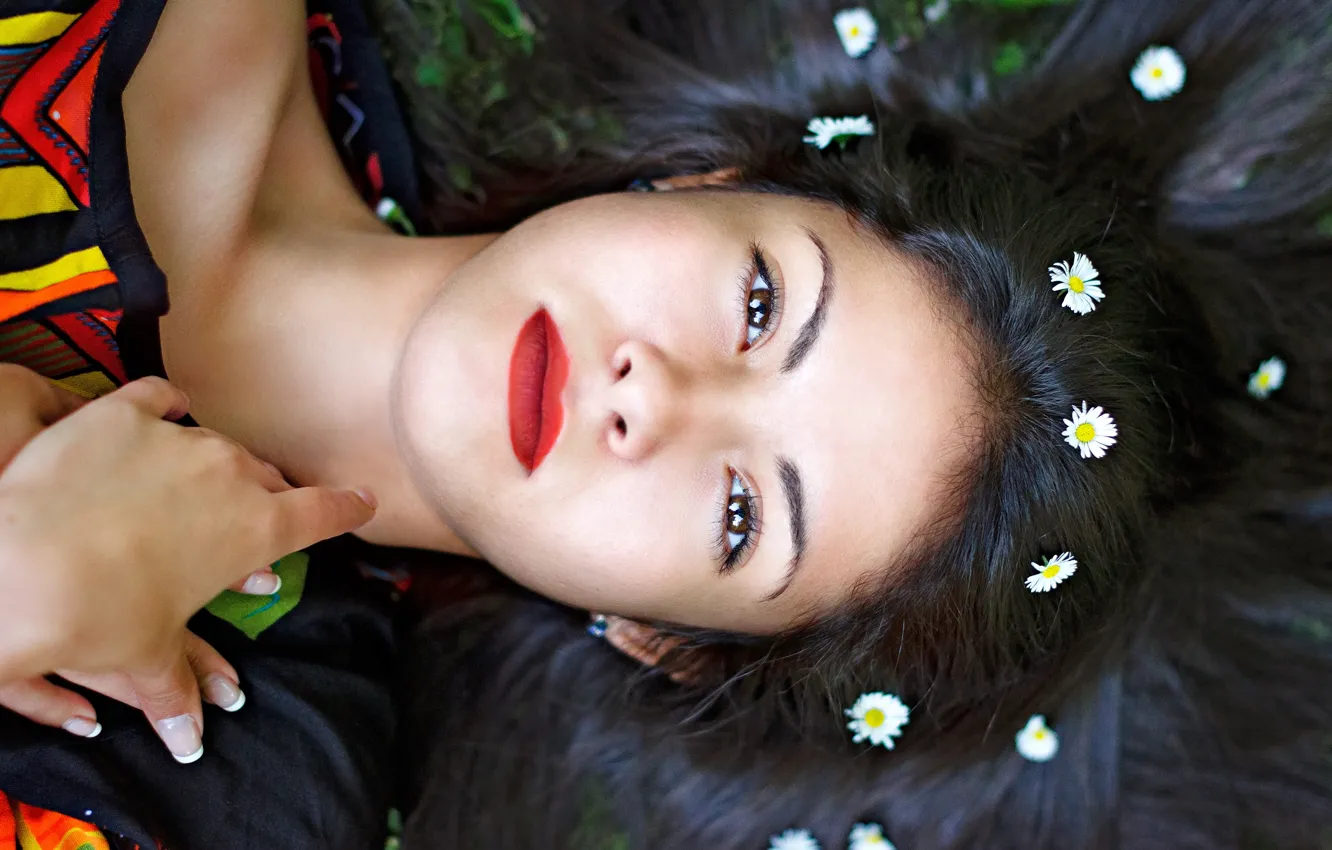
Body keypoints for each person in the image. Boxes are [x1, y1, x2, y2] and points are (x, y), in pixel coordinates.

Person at [0, 0, 1328, 846]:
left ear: (665, 643)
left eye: (744, 511)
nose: (652, 398)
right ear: (708, 179)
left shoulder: (237, 783)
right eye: (758, 305)